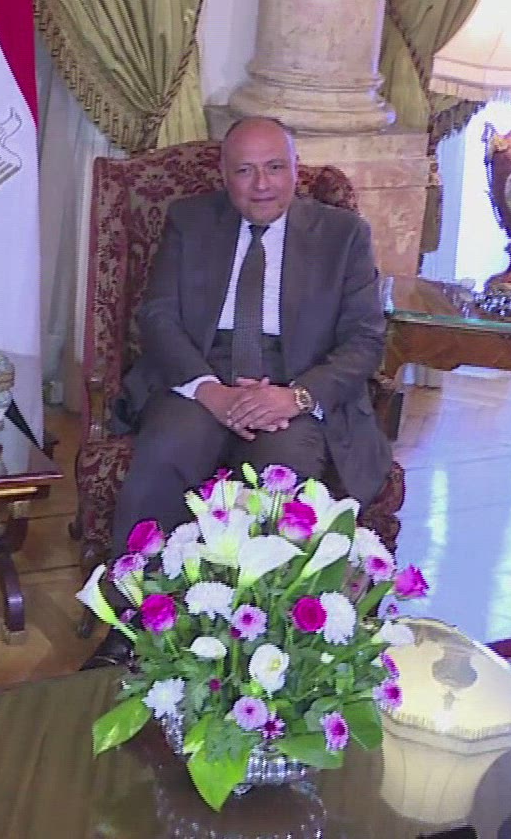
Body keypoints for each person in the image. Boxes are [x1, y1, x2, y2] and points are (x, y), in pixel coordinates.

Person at [85, 117, 389, 669]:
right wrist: (209, 391)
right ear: (223, 175)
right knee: (166, 451)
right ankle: (132, 621)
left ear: (295, 169)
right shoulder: (190, 221)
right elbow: (158, 317)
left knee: (282, 474)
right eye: (245, 171)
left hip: (295, 381)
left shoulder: (343, 235)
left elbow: (365, 339)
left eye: (275, 167)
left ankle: (263, 639)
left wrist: (296, 396)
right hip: (201, 371)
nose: (262, 184)